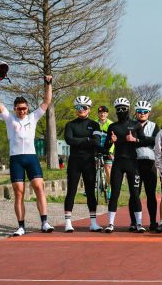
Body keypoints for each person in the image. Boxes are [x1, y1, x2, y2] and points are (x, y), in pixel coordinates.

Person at [0, 72, 54, 236]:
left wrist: (48, 84)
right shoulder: (9, 119)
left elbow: (46, 101)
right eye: (19, 109)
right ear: (15, 109)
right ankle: (21, 226)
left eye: (24, 108)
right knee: (19, 192)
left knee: (39, 187)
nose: (22, 111)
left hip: (31, 157)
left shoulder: (33, 117)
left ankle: (45, 222)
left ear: (27, 108)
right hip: (16, 159)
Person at [104, 97, 145, 233]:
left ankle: (139, 223)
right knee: (115, 193)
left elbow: (145, 141)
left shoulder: (136, 125)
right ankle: (110, 224)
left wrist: (134, 139)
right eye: (119, 109)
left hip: (133, 163)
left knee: (135, 194)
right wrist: (111, 141)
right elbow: (105, 147)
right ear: (116, 110)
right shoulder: (112, 127)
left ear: (128, 109)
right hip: (118, 163)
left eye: (124, 108)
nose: (121, 111)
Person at [62, 95, 102, 232]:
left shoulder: (95, 124)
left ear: (89, 109)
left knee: (90, 192)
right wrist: (87, 139)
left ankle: (93, 223)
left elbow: (96, 141)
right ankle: (68, 223)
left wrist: (80, 140)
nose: (81, 109)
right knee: (71, 191)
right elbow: (69, 140)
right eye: (78, 107)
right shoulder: (70, 125)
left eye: (84, 107)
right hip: (74, 161)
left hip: (89, 162)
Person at [133, 100, 160, 231]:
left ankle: (153, 221)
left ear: (149, 113)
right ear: (136, 113)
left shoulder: (154, 126)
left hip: (150, 163)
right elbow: (130, 142)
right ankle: (134, 222)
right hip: (135, 163)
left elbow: (156, 140)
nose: (142, 114)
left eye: (145, 112)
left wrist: (138, 140)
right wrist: (146, 141)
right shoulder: (131, 125)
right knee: (135, 194)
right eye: (139, 111)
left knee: (151, 194)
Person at [96, 105, 114, 184]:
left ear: (107, 114)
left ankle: (110, 187)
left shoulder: (111, 124)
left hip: (108, 149)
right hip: (97, 148)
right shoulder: (94, 123)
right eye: (100, 113)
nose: (102, 114)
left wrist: (110, 152)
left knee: (108, 168)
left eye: (104, 113)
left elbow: (113, 140)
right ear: (98, 114)